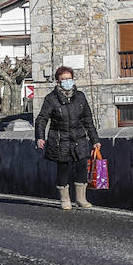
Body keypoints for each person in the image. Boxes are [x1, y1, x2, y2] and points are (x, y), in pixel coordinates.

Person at [33, 66, 101, 210]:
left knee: (82, 166)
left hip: (79, 139)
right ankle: (65, 199)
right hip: (60, 140)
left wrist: (95, 140)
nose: (67, 82)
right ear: (58, 81)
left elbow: (88, 120)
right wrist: (40, 137)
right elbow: (41, 119)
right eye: (63, 79)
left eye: (69, 78)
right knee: (63, 168)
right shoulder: (51, 99)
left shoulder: (80, 97)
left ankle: (81, 198)